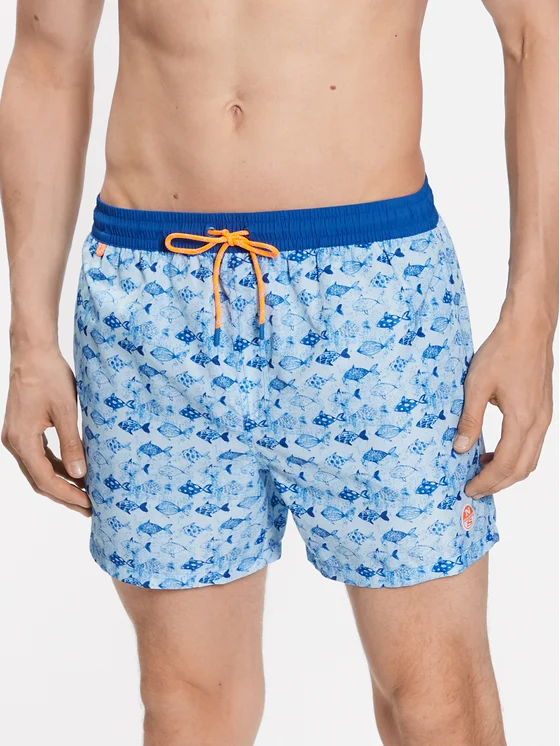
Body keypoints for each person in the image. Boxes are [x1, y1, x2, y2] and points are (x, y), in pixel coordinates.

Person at [0, 1, 557, 744]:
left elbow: (537, 32)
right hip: (150, 300)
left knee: (437, 701)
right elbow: (47, 57)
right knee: (185, 703)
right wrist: (30, 340)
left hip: (371, 297)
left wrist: (532, 319)